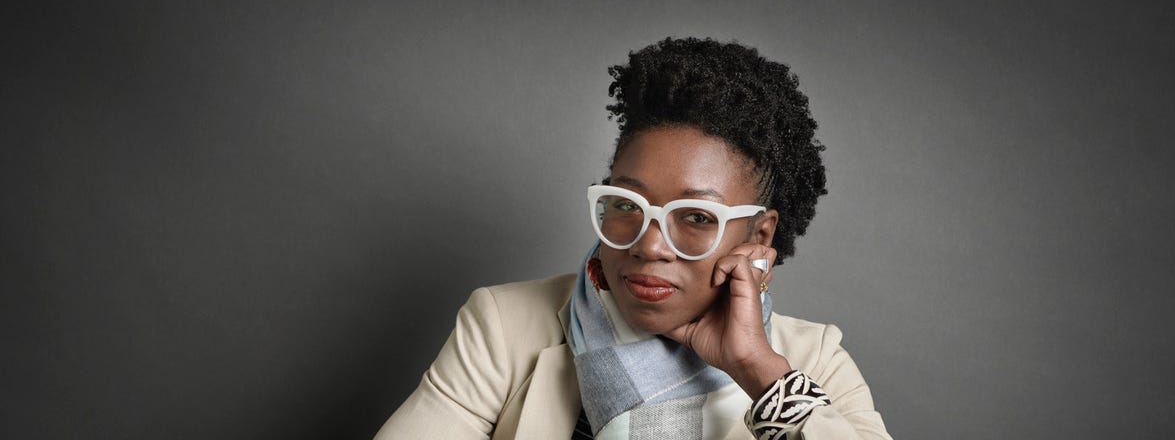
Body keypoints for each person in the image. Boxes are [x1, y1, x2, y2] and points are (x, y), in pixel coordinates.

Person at [376, 37, 892, 439]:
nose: (648, 245)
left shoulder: (812, 359)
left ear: (758, 234)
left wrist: (757, 371)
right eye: (627, 205)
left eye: (695, 217)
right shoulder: (506, 327)